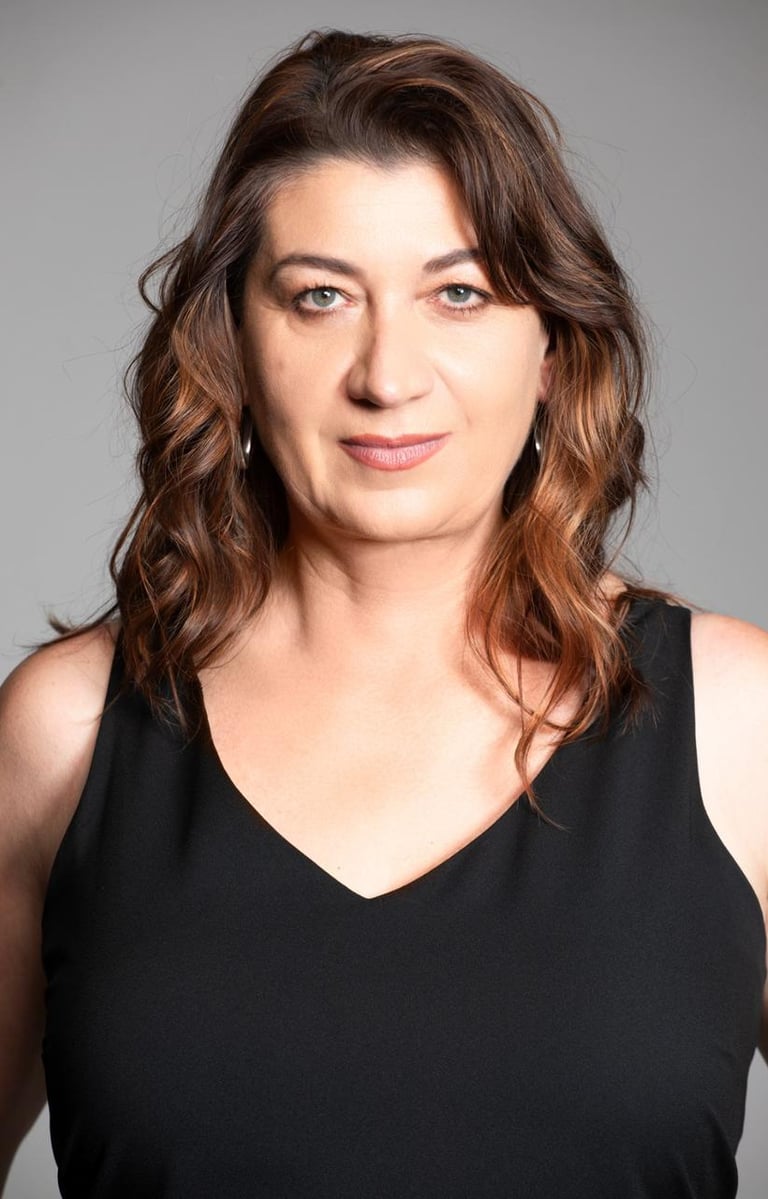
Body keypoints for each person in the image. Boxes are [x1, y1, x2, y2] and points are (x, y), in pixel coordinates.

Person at [0, 27, 766, 1199]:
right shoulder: (63, 734)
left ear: (551, 347)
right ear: (234, 344)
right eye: (320, 297)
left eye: (459, 293)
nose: (387, 374)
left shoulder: (745, 727)